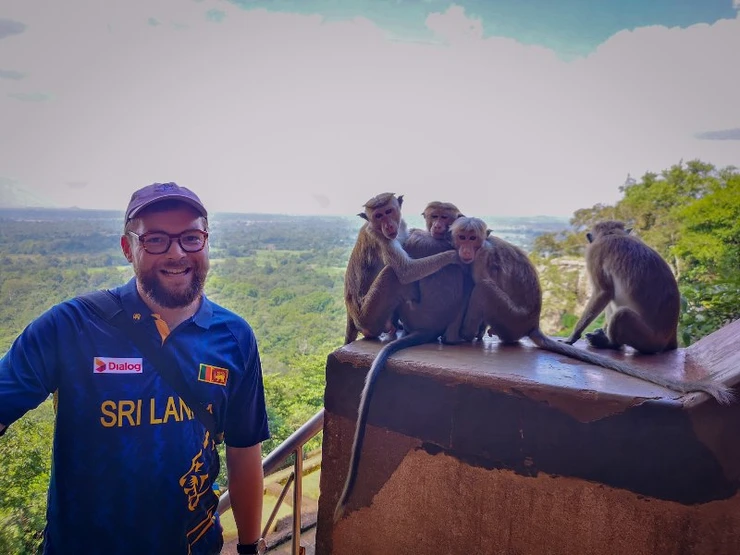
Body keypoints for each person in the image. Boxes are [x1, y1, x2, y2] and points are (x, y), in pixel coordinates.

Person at [0, 182, 270, 555]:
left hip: (193, 545)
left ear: (206, 243)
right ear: (128, 248)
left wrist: (249, 546)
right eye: (156, 240)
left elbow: (244, 450)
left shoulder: (233, 336)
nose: (177, 253)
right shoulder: (72, 327)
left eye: (191, 237)